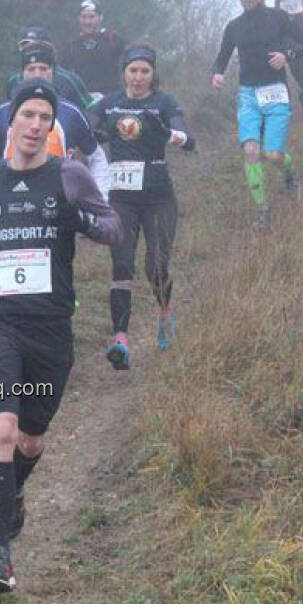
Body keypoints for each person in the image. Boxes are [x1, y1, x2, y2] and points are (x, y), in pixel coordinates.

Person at [0, 80, 120, 594]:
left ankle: (12, 491)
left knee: (30, 439)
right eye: (28, 116)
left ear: (53, 127)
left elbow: (112, 229)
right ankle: (0, 558)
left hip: (50, 331)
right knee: (2, 428)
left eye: (45, 117)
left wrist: (76, 217)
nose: (36, 125)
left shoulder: (70, 175)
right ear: (10, 124)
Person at [89, 45, 195, 369]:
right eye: (132, 71)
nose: (138, 77)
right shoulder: (109, 104)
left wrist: (166, 132)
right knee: (121, 266)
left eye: (144, 71)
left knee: (156, 267)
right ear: (124, 73)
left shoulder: (163, 102)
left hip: (158, 198)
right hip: (121, 199)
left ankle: (164, 312)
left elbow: (189, 140)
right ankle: (120, 339)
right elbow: (85, 133)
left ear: (152, 74)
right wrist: (95, 135)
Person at [212, 0, 303, 230]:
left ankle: (291, 177)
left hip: (276, 91)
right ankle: (262, 209)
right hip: (248, 94)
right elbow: (222, 56)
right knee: (251, 151)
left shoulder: (278, 17)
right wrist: (217, 74)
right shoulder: (234, 26)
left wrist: (286, 55)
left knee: (273, 154)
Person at [0, 42, 111, 201]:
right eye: (31, 69)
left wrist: (101, 200)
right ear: (22, 74)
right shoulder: (2, 112)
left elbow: (97, 159)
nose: (37, 74)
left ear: (53, 73)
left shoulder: (72, 112)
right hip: (10, 202)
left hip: (58, 205)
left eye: (44, 68)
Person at [5, 27, 95, 111]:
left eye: (35, 44)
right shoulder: (13, 80)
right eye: (24, 45)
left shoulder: (69, 80)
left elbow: (90, 110)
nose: (29, 49)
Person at [60, 0, 126, 100]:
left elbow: (128, 66)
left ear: (100, 18)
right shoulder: (72, 44)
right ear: (79, 18)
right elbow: (62, 72)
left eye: (91, 17)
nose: (87, 21)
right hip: (82, 99)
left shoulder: (113, 39)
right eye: (84, 17)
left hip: (110, 98)